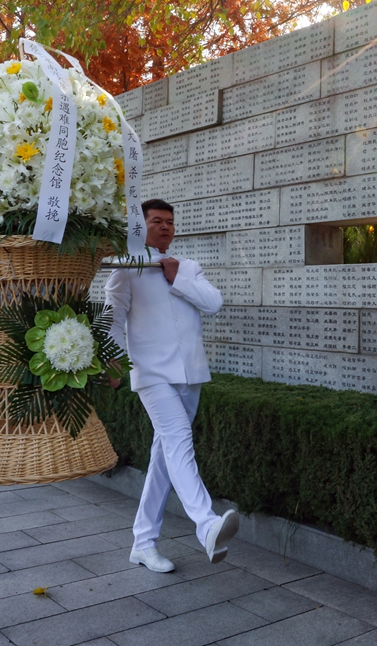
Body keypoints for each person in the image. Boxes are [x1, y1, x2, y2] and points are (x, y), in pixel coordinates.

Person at [105, 198, 238, 572]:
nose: (165, 227)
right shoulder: (125, 269)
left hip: (191, 373)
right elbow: (112, 320)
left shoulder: (188, 267)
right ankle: (207, 523)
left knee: (164, 459)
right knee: (179, 440)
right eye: (156, 221)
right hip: (151, 374)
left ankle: (143, 542)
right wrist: (112, 362)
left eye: (169, 222)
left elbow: (213, 303)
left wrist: (177, 278)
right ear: (140, 226)